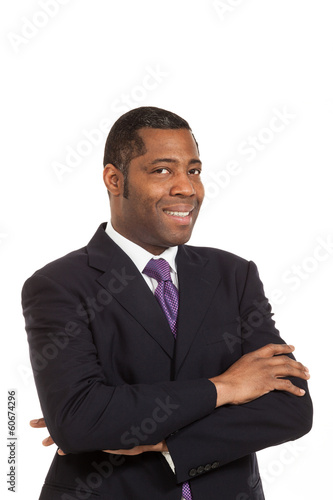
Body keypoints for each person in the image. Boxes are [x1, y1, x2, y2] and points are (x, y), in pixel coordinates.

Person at [22, 106, 312, 500]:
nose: (187, 188)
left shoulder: (233, 275)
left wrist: (165, 442)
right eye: (162, 170)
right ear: (114, 179)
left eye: (193, 170)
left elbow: (290, 408)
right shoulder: (58, 285)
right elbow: (80, 419)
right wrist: (226, 387)